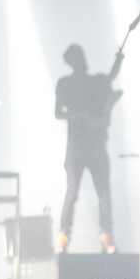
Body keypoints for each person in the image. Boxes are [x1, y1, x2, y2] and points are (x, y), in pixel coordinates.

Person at [55, 42, 123, 254]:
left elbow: (110, 77)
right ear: (71, 61)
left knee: (103, 193)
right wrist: (80, 114)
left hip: (95, 145)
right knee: (72, 193)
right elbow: (58, 113)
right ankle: (63, 239)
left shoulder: (96, 81)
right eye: (77, 57)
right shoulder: (65, 83)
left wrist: (119, 57)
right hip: (76, 145)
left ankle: (107, 240)